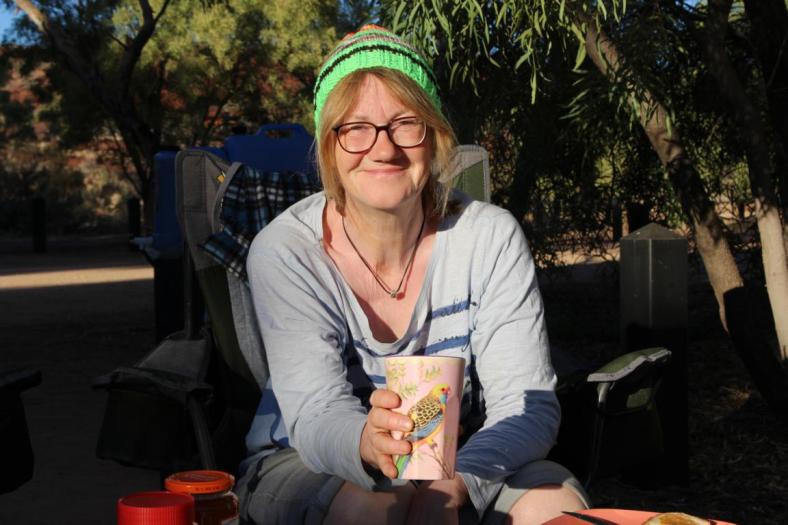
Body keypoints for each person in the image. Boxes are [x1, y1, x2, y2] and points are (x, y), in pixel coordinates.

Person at [236, 25, 589, 525]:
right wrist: (369, 442)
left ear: (436, 135)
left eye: (406, 123)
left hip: (467, 456)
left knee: (555, 509)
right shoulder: (287, 251)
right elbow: (315, 415)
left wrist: (454, 482)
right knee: (375, 510)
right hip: (311, 459)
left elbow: (525, 406)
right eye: (355, 127)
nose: (383, 149)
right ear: (328, 145)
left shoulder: (488, 238)